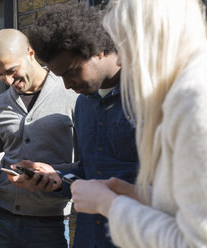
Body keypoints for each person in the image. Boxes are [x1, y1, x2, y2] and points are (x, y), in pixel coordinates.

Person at [70, 0, 207, 247]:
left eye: (122, 45)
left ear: (151, 37)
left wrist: (108, 205)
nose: (120, 60)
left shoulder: (196, 100)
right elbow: (188, 206)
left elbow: (194, 242)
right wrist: (139, 196)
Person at [9, 3, 138, 248]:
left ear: (99, 50)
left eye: (73, 72)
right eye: (61, 77)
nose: (67, 85)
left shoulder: (150, 98)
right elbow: (91, 170)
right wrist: (56, 176)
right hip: (89, 238)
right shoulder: (83, 105)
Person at [0, 28, 78, 248]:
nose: (7, 80)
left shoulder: (71, 94)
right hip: (1, 218)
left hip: (49, 222)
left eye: (12, 70)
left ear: (30, 52)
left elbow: (87, 164)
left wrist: (52, 175)